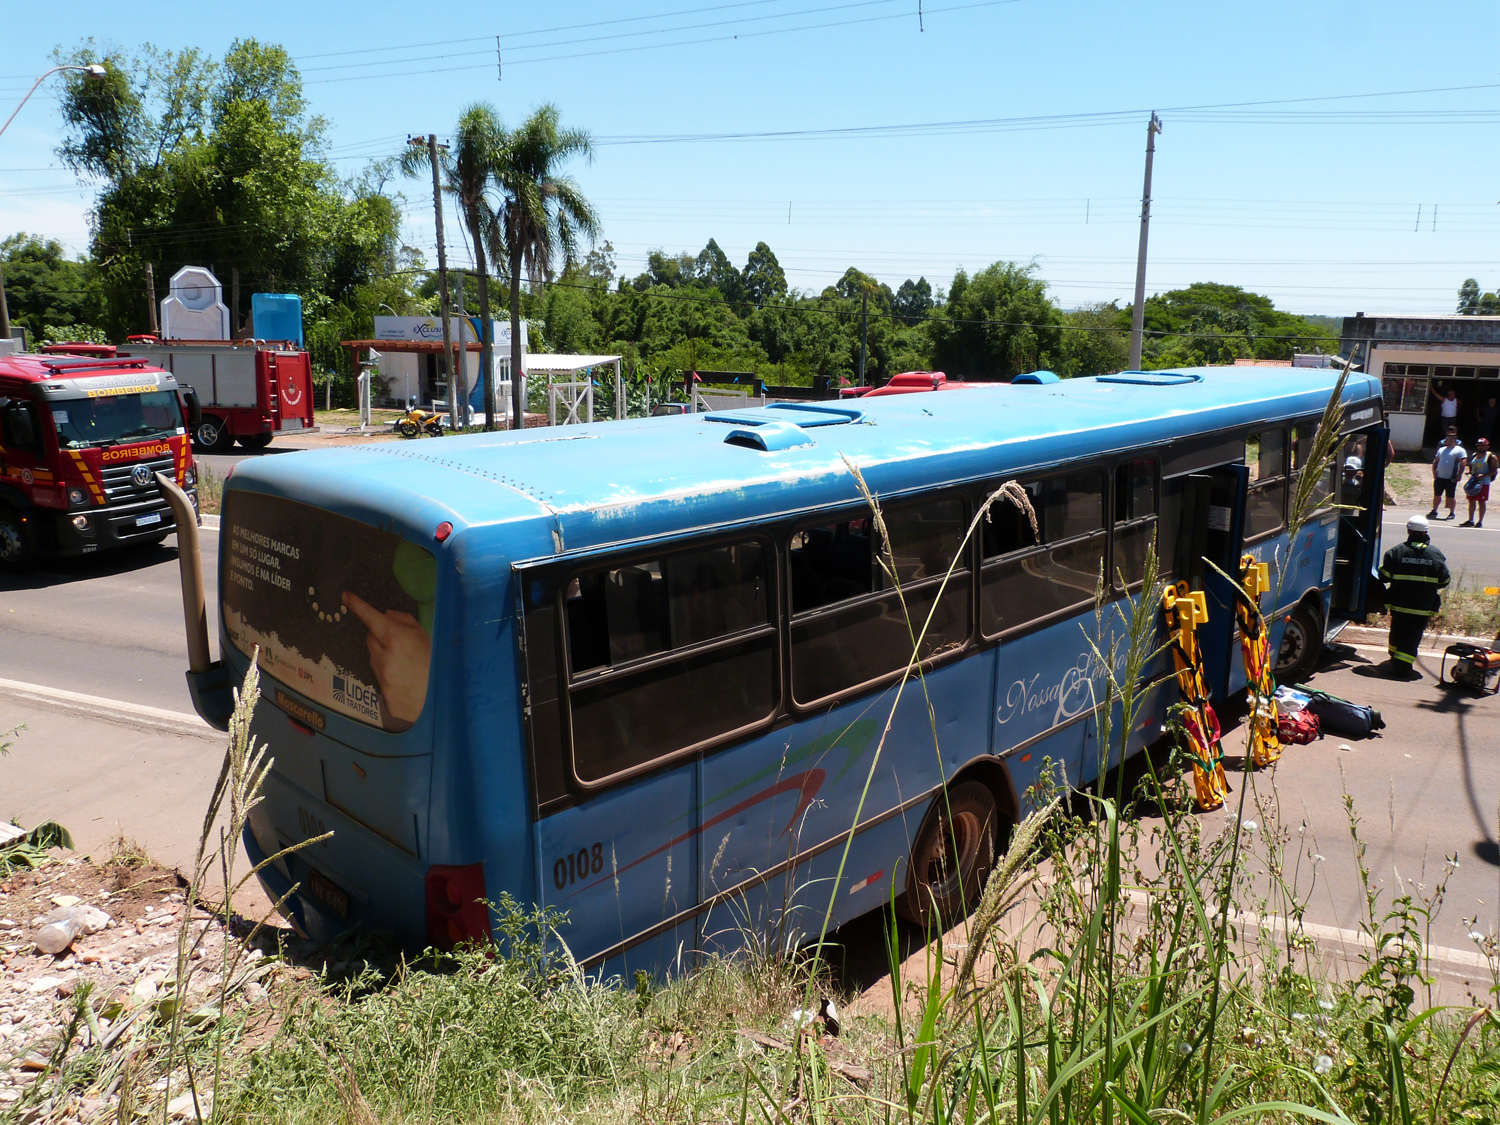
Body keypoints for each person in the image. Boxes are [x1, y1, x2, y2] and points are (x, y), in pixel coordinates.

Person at [1377, 514, 1450, 679]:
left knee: (1397, 630)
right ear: (1426, 532)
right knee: (1412, 635)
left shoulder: (1395, 552)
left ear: (1408, 530)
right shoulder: (1435, 554)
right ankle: (1403, 667)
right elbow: (1444, 580)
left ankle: (1395, 657)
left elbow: (1384, 576)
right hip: (1422, 607)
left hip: (1398, 604)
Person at [1428, 428, 1468, 520]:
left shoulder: (1459, 450)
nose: (1445, 441)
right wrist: (1434, 472)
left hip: (1451, 478)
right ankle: (1434, 510)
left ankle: (1451, 512)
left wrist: (1459, 475)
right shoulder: (1441, 449)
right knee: (1437, 495)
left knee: (1450, 496)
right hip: (1439, 477)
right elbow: (1436, 461)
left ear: (1453, 440)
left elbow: (1463, 463)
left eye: (1447, 439)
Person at [1462, 436, 1498, 528]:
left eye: (1482, 446)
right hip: (1473, 481)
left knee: (1481, 501)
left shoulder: (1491, 457)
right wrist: (1468, 470)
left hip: (1484, 483)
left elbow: (1494, 470)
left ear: (1487, 446)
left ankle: (1480, 521)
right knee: (1471, 500)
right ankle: (1470, 520)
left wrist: (1483, 475)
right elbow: (1470, 465)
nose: (1480, 447)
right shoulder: (1475, 455)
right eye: (1479, 446)